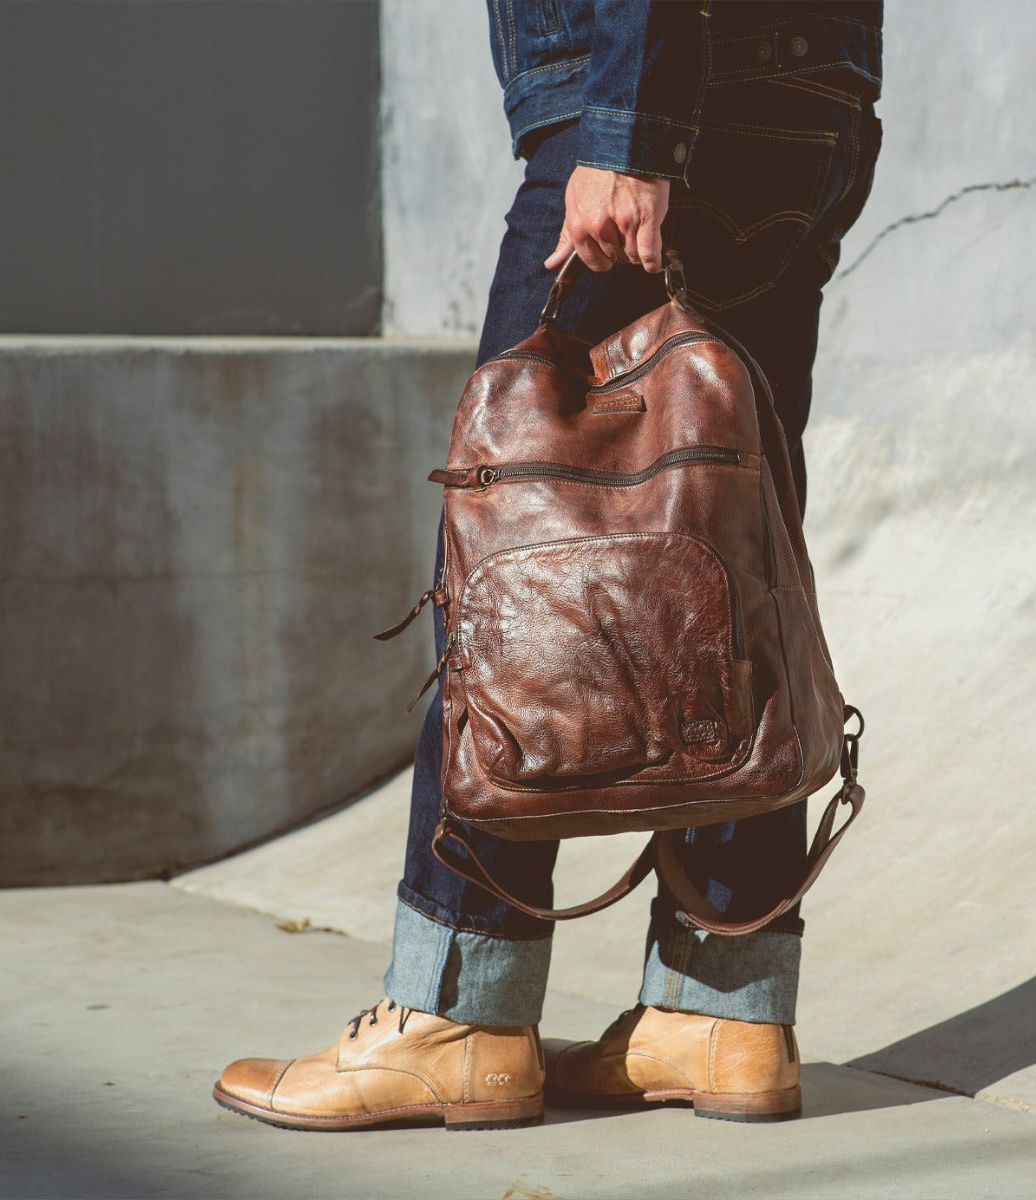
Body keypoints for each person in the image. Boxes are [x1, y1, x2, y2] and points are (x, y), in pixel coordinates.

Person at [213, 0, 882, 1130]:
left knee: (511, 543)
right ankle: (720, 1007)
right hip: (799, 94)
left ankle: (457, 1010)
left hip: (661, 89)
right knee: (726, 549)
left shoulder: (638, 122)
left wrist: (628, 133)